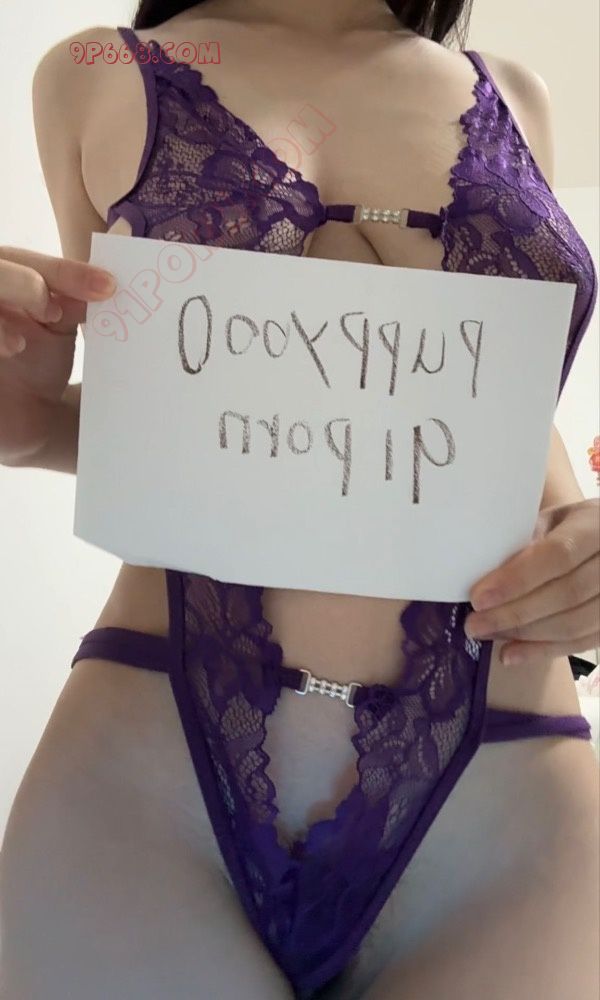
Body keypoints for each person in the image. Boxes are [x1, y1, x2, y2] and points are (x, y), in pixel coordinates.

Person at [1, 2, 599, 998]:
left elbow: (501, 419)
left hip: (503, 791)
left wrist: (585, 544)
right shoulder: (98, 70)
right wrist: (20, 415)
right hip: (152, 773)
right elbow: (145, 423)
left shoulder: (515, 94)